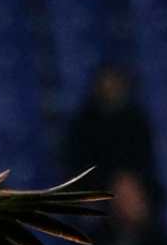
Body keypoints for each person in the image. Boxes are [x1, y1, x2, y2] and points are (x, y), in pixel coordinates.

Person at [64, 65, 162, 202]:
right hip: (98, 189)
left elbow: (144, 157)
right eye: (106, 83)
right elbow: (79, 163)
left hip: (133, 182)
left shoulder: (136, 120)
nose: (110, 88)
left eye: (114, 83)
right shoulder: (85, 123)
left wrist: (129, 181)